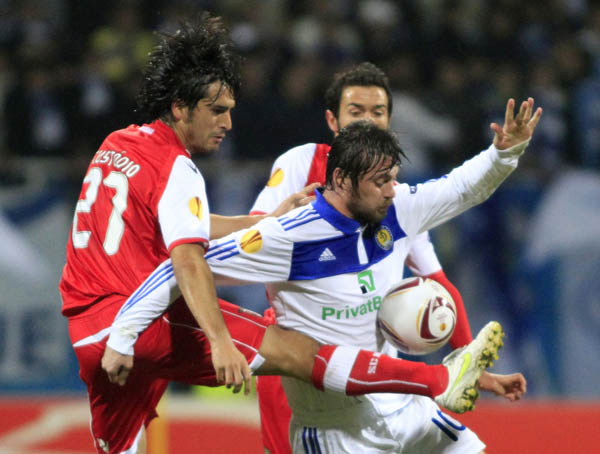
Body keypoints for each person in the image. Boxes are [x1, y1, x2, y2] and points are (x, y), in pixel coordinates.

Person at [59, 15, 500, 454]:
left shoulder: (117, 144)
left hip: (84, 328)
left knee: (119, 447)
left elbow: (170, 225)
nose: (228, 124)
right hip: (137, 319)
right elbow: (189, 258)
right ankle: (440, 380)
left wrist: (256, 223)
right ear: (180, 107)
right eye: (217, 111)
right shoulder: (184, 168)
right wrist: (216, 342)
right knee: (301, 352)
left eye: (230, 111)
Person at [110, 100, 540, 453]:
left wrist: (506, 153)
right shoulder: (287, 237)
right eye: (379, 181)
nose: (392, 189)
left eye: (393, 178)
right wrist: (122, 336)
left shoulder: (398, 208)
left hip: (407, 406)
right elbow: (178, 267)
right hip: (336, 432)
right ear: (341, 180)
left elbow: (462, 187)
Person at [249, 62, 478, 454]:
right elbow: (254, 240)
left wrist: (469, 366)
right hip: (303, 362)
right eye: (356, 112)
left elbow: (439, 284)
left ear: (390, 120)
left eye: (378, 112)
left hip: (376, 369)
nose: (368, 121)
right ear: (333, 120)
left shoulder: (395, 197)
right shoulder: (301, 163)